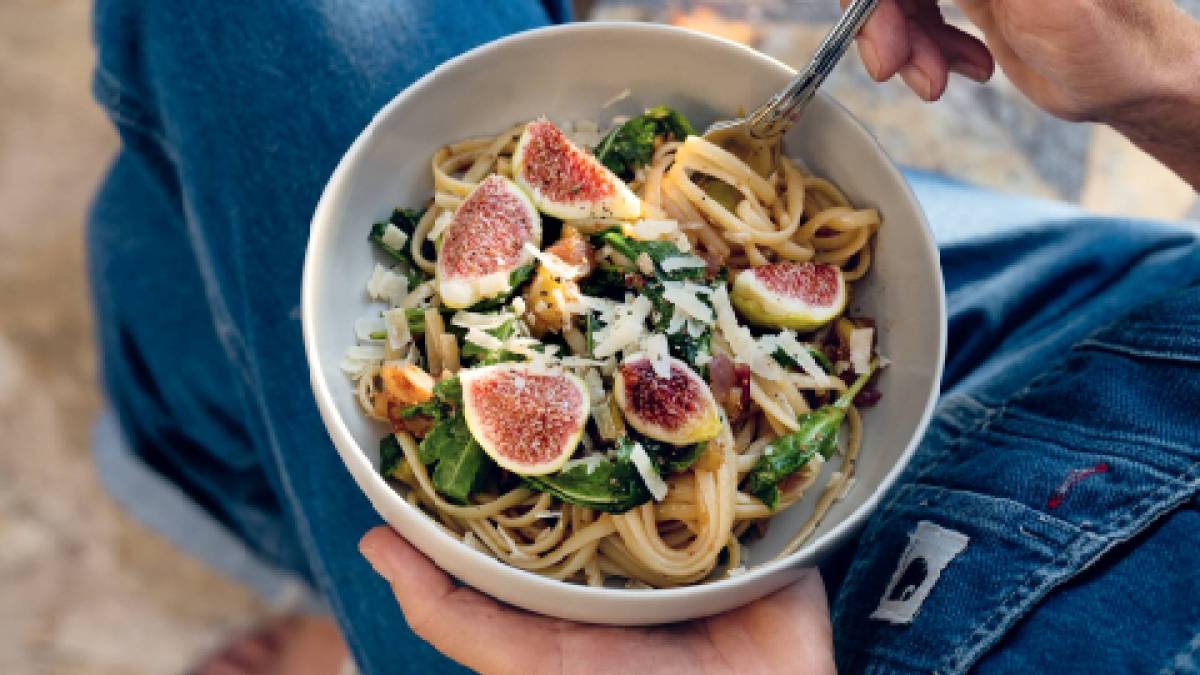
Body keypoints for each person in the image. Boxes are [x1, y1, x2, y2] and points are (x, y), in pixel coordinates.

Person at [86, 0, 1199, 673]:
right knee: (203, 234)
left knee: (185, 197)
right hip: (1108, 326)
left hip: (794, 645)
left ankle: (328, 592)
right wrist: (1162, 84)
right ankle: (327, 581)